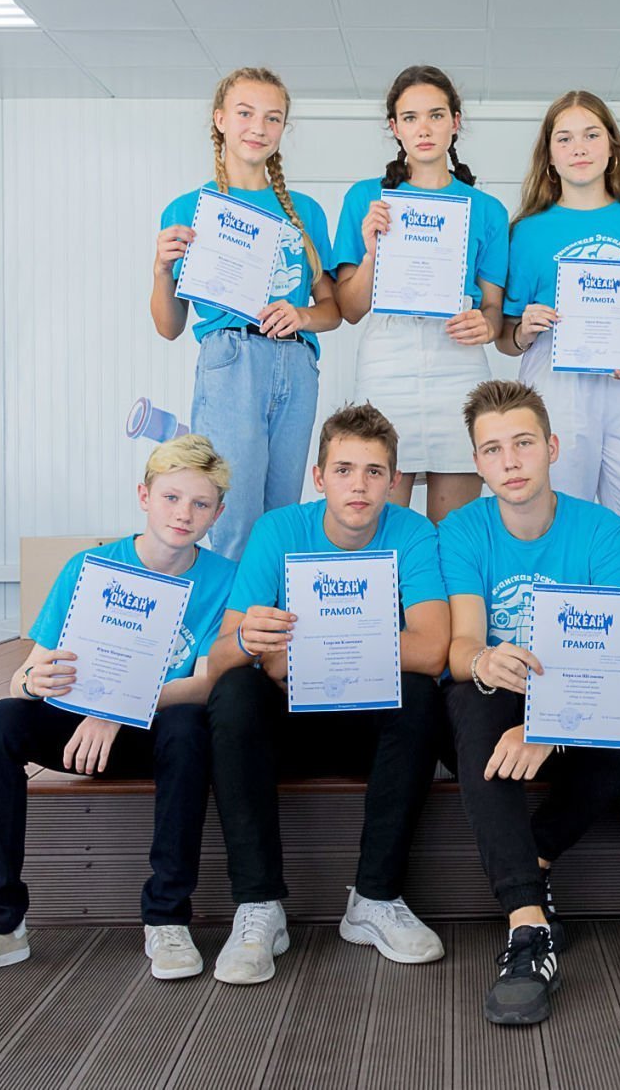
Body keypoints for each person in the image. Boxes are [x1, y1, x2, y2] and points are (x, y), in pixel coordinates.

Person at [0, 436, 239, 987]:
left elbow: (205, 683)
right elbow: (23, 678)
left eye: (200, 503)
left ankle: (167, 918)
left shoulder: (224, 579)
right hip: (78, 731)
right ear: (144, 496)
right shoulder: (90, 567)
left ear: (217, 514)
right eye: (171, 497)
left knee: (189, 725)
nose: (184, 514)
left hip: (155, 733)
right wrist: (32, 681)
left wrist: (118, 710)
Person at [203, 403, 450, 985]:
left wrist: (309, 649)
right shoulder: (278, 530)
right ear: (319, 478)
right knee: (235, 691)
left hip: (372, 730)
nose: (358, 485)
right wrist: (251, 640)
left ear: (394, 481)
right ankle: (258, 906)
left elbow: (433, 649)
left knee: (421, 694)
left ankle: (375, 899)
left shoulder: (413, 531)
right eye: (343, 470)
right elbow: (221, 657)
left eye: (373, 471)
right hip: (291, 725)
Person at [438, 379, 620, 1025]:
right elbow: (462, 644)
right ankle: (528, 924)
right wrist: (482, 660)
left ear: (552, 447)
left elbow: (616, 658)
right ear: (477, 463)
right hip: (497, 703)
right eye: (493, 449)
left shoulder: (604, 531)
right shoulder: (464, 528)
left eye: (523, 443)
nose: (511, 461)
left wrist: (550, 724)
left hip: (578, 696)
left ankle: (537, 855)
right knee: (471, 700)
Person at [151, 66, 342, 558]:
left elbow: (332, 310)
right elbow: (169, 327)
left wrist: (302, 316)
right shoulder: (188, 209)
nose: (259, 127)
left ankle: (269, 608)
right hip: (230, 360)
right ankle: (233, 610)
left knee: (282, 516)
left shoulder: (306, 211)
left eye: (272, 118)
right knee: (233, 514)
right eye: (245, 113)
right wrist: (161, 270)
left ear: (283, 128)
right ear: (220, 120)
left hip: (297, 363)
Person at [498, 90, 620, 565]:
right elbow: (505, 338)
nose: (578, 148)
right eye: (564, 138)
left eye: (591, 135)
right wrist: (524, 330)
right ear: (549, 155)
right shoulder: (527, 231)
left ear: (612, 146)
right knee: (558, 525)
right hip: (553, 385)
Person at [332, 65, 510, 523]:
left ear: (455, 121)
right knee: (379, 521)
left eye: (435, 115)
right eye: (410, 118)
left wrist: (486, 325)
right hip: (386, 360)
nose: (424, 129)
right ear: (395, 127)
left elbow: (493, 310)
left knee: (455, 530)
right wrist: (372, 254)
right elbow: (349, 309)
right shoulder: (365, 198)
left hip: (458, 360)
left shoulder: (487, 209)